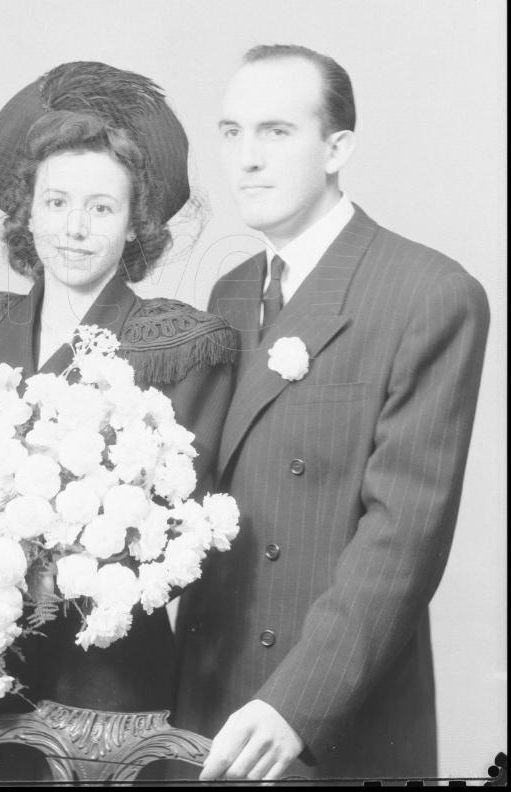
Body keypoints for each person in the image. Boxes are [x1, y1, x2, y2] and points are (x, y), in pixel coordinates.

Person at [0, 61, 236, 783]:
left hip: (108, 698)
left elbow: (185, 524)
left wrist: (54, 575)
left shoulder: (182, 348)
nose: (74, 229)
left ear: (135, 221)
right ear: (27, 211)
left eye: (102, 208)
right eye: (56, 202)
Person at [174, 44, 490, 782]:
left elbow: (401, 540)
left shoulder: (428, 293)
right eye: (231, 132)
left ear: (338, 147)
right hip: (209, 707)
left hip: (326, 715)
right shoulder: (227, 294)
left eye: (276, 132)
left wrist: (296, 706)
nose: (246, 159)